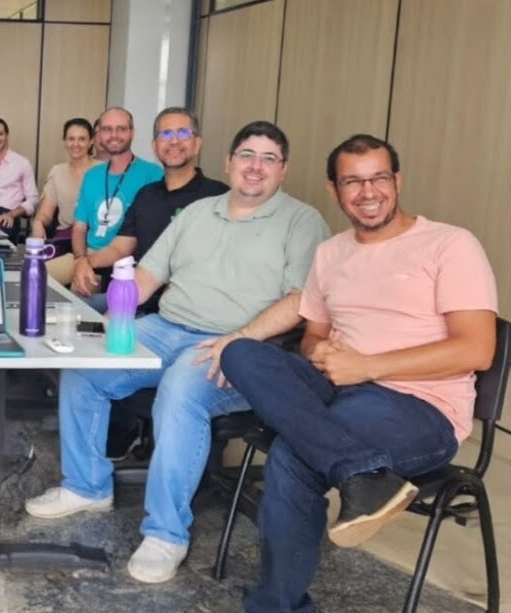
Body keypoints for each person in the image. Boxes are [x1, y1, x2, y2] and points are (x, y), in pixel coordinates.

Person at [195, 135, 498, 613]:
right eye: (353, 181)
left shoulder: (450, 245)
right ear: (335, 190)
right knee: (240, 351)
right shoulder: (332, 253)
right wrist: (325, 356)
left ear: (397, 181)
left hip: (419, 407)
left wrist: (367, 365)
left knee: (293, 456)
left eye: (379, 177)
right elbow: (315, 337)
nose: (368, 192)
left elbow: (476, 349)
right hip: (340, 391)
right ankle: (362, 474)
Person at [24, 121, 330, 587]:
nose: (256, 167)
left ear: (283, 169)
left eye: (269, 158)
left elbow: (299, 301)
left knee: (180, 390)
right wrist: (109, 325)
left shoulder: (302, 221)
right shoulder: (197, 213)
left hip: (243, 346)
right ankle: (86, 486)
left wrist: (240, 338)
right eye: (247, 155)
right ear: (229, 162)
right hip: (167, 327)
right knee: (86, 363)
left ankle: (166, 533)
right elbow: (147, 276)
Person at [71, 107, 229, 313]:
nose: (174, 141)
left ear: (197, 143)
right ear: (155, 146)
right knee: (66, 309)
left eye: (183, 133)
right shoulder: (146, 194)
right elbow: (120, 248)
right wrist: (85, 260)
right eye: (166, 134)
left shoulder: (218, 197)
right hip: (138, 297)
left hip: (183, 309)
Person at [59, 107, 163, 296]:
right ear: (99, 135)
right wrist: (81, 258)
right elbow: (79, 228)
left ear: (132, 133)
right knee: (34, 275)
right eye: (107, 129)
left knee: (79, 297)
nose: (114, 135)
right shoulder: (92, 175)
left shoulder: (153, 174)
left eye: (121, 129)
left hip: (127, 262)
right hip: (88, 254)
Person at [28, 117, 100, 269]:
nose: (76, 144)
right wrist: (38, 222)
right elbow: (45, 214)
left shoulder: (103, 170)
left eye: (82, 139)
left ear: (91, 142)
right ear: (65, 142)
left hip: (94, 241)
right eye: (71, 139)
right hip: (65, 240)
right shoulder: (58, 171)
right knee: (35, 269)